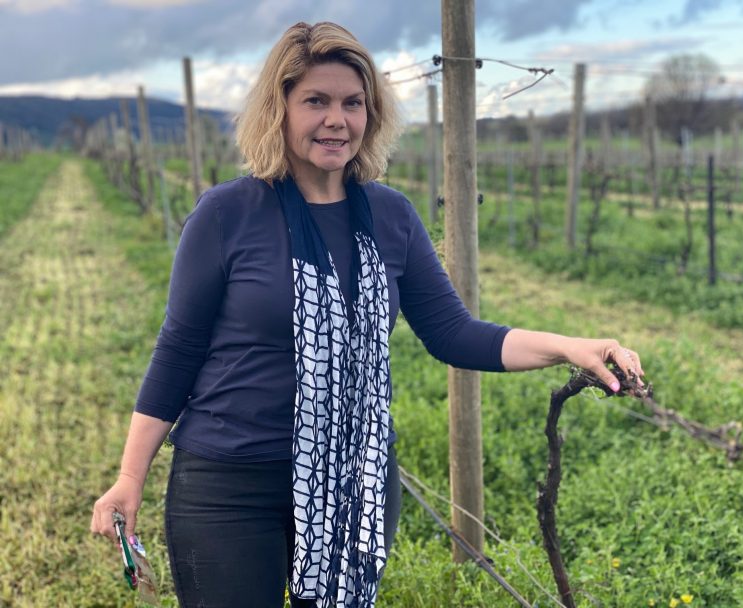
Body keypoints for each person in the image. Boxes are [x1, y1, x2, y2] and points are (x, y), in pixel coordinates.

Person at [90, 20, 644, 608]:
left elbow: (456, 334)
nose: (337, 119)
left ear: (371, 114)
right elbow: (179, 350)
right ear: (277, 110)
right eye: (316, 101)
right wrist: (130, 477)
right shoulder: (227, 213)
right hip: (230, 484)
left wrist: (570, 347)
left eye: (353, 103)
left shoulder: (392, 217)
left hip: (357, 481)